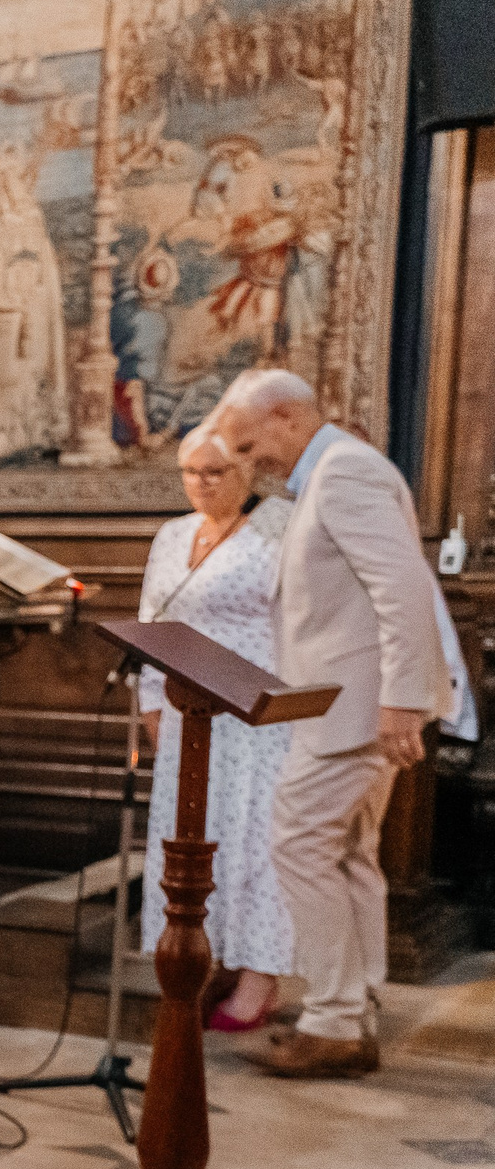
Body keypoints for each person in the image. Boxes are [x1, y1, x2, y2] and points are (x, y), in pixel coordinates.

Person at [215, 370, 446, 1079]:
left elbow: (402, 585)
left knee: (298, 843)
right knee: (347, 855)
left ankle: (334, 1018)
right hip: (341, 705)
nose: (252, 465)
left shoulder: (344, 473)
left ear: (288, 417)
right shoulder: (317, 481)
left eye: (253, 446)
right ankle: (354, 1008)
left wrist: (402, 699)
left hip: (356, 707)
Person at [135, 423, 297, 1032]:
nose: (200, 484)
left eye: (215, 472)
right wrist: (152, 708)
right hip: (186, 718)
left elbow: (296, 622)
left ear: (246, 475)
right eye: (190, 473)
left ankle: (260, 977)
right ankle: (200, 963)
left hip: (256, 718)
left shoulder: (274, 532)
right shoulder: (173, 535)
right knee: (189, 845)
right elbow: (153, 622)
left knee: (254, 844)